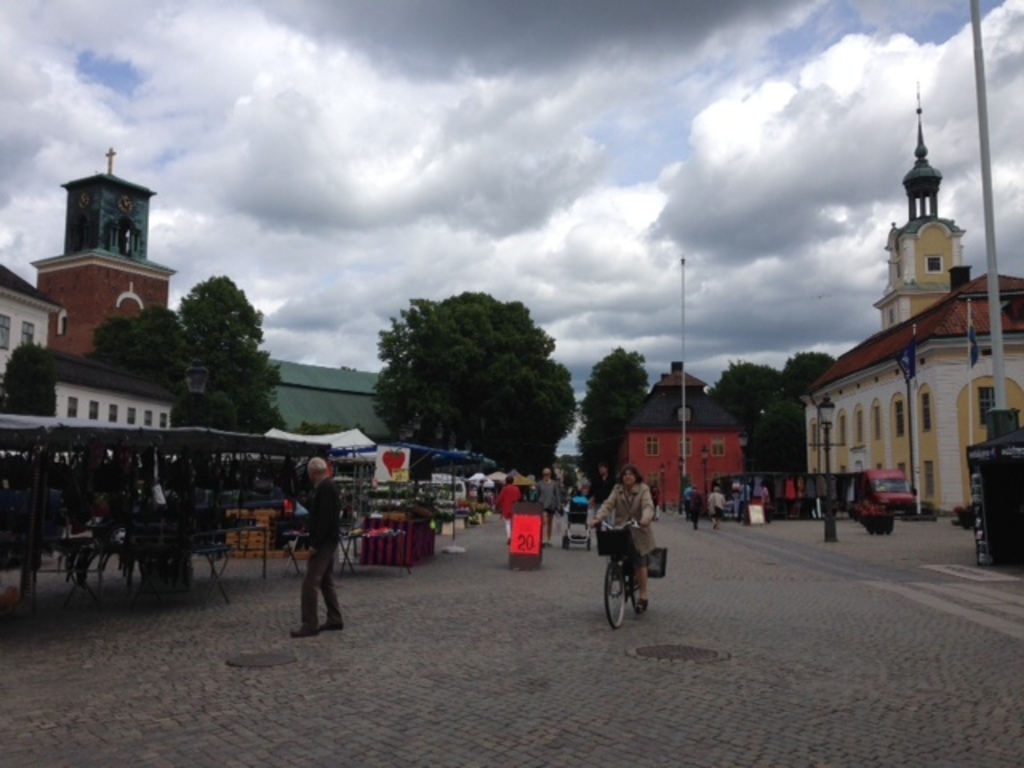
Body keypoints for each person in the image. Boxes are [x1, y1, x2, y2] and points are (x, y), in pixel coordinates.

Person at [589, 464, 657, 613]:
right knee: (615, 551)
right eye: (625, 474)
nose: (627, 476)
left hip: (639, 530)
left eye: (630, 474)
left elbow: (648, 506)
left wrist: (645, 519)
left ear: (636, 477)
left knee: (640, 560)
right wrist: (597, 519)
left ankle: (643, 595)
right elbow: (608, 505)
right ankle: (619, 572)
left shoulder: (643, 489)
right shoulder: (617, 489)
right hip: (621, 529)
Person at [291, 457, 344, 638]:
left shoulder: (325, 488)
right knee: (325, 580)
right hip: (328, 540)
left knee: (310, 583)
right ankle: (335, 617)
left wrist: (315, 544)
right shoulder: (328, 487)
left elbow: (324, 519)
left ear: (312, 472)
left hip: (324, 542)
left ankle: (309, 623)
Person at [536, 467, 563, 547]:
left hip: (551, 505)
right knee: (544, 522)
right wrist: (537, 503)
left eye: (547, 474)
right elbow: (537, 494)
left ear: (550, 474)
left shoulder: (554, 483)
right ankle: (543, 540)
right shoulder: (539, 483)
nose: (546, 475)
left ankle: (548, 539)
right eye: (544, 474)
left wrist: (558, 505)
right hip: (542, 505)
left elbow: (557, 495)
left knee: (550, 523)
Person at [494, 474, 522, 545]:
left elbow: (500, 498)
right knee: (515, 524)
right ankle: (515, 537)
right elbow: (519, 497)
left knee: (507, 524)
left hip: (506, 508)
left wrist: (497, 504)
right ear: (513, 481)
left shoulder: (504, 489)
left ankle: (509, 537)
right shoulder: (516, 489)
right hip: (515, 508)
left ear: (506, 481)